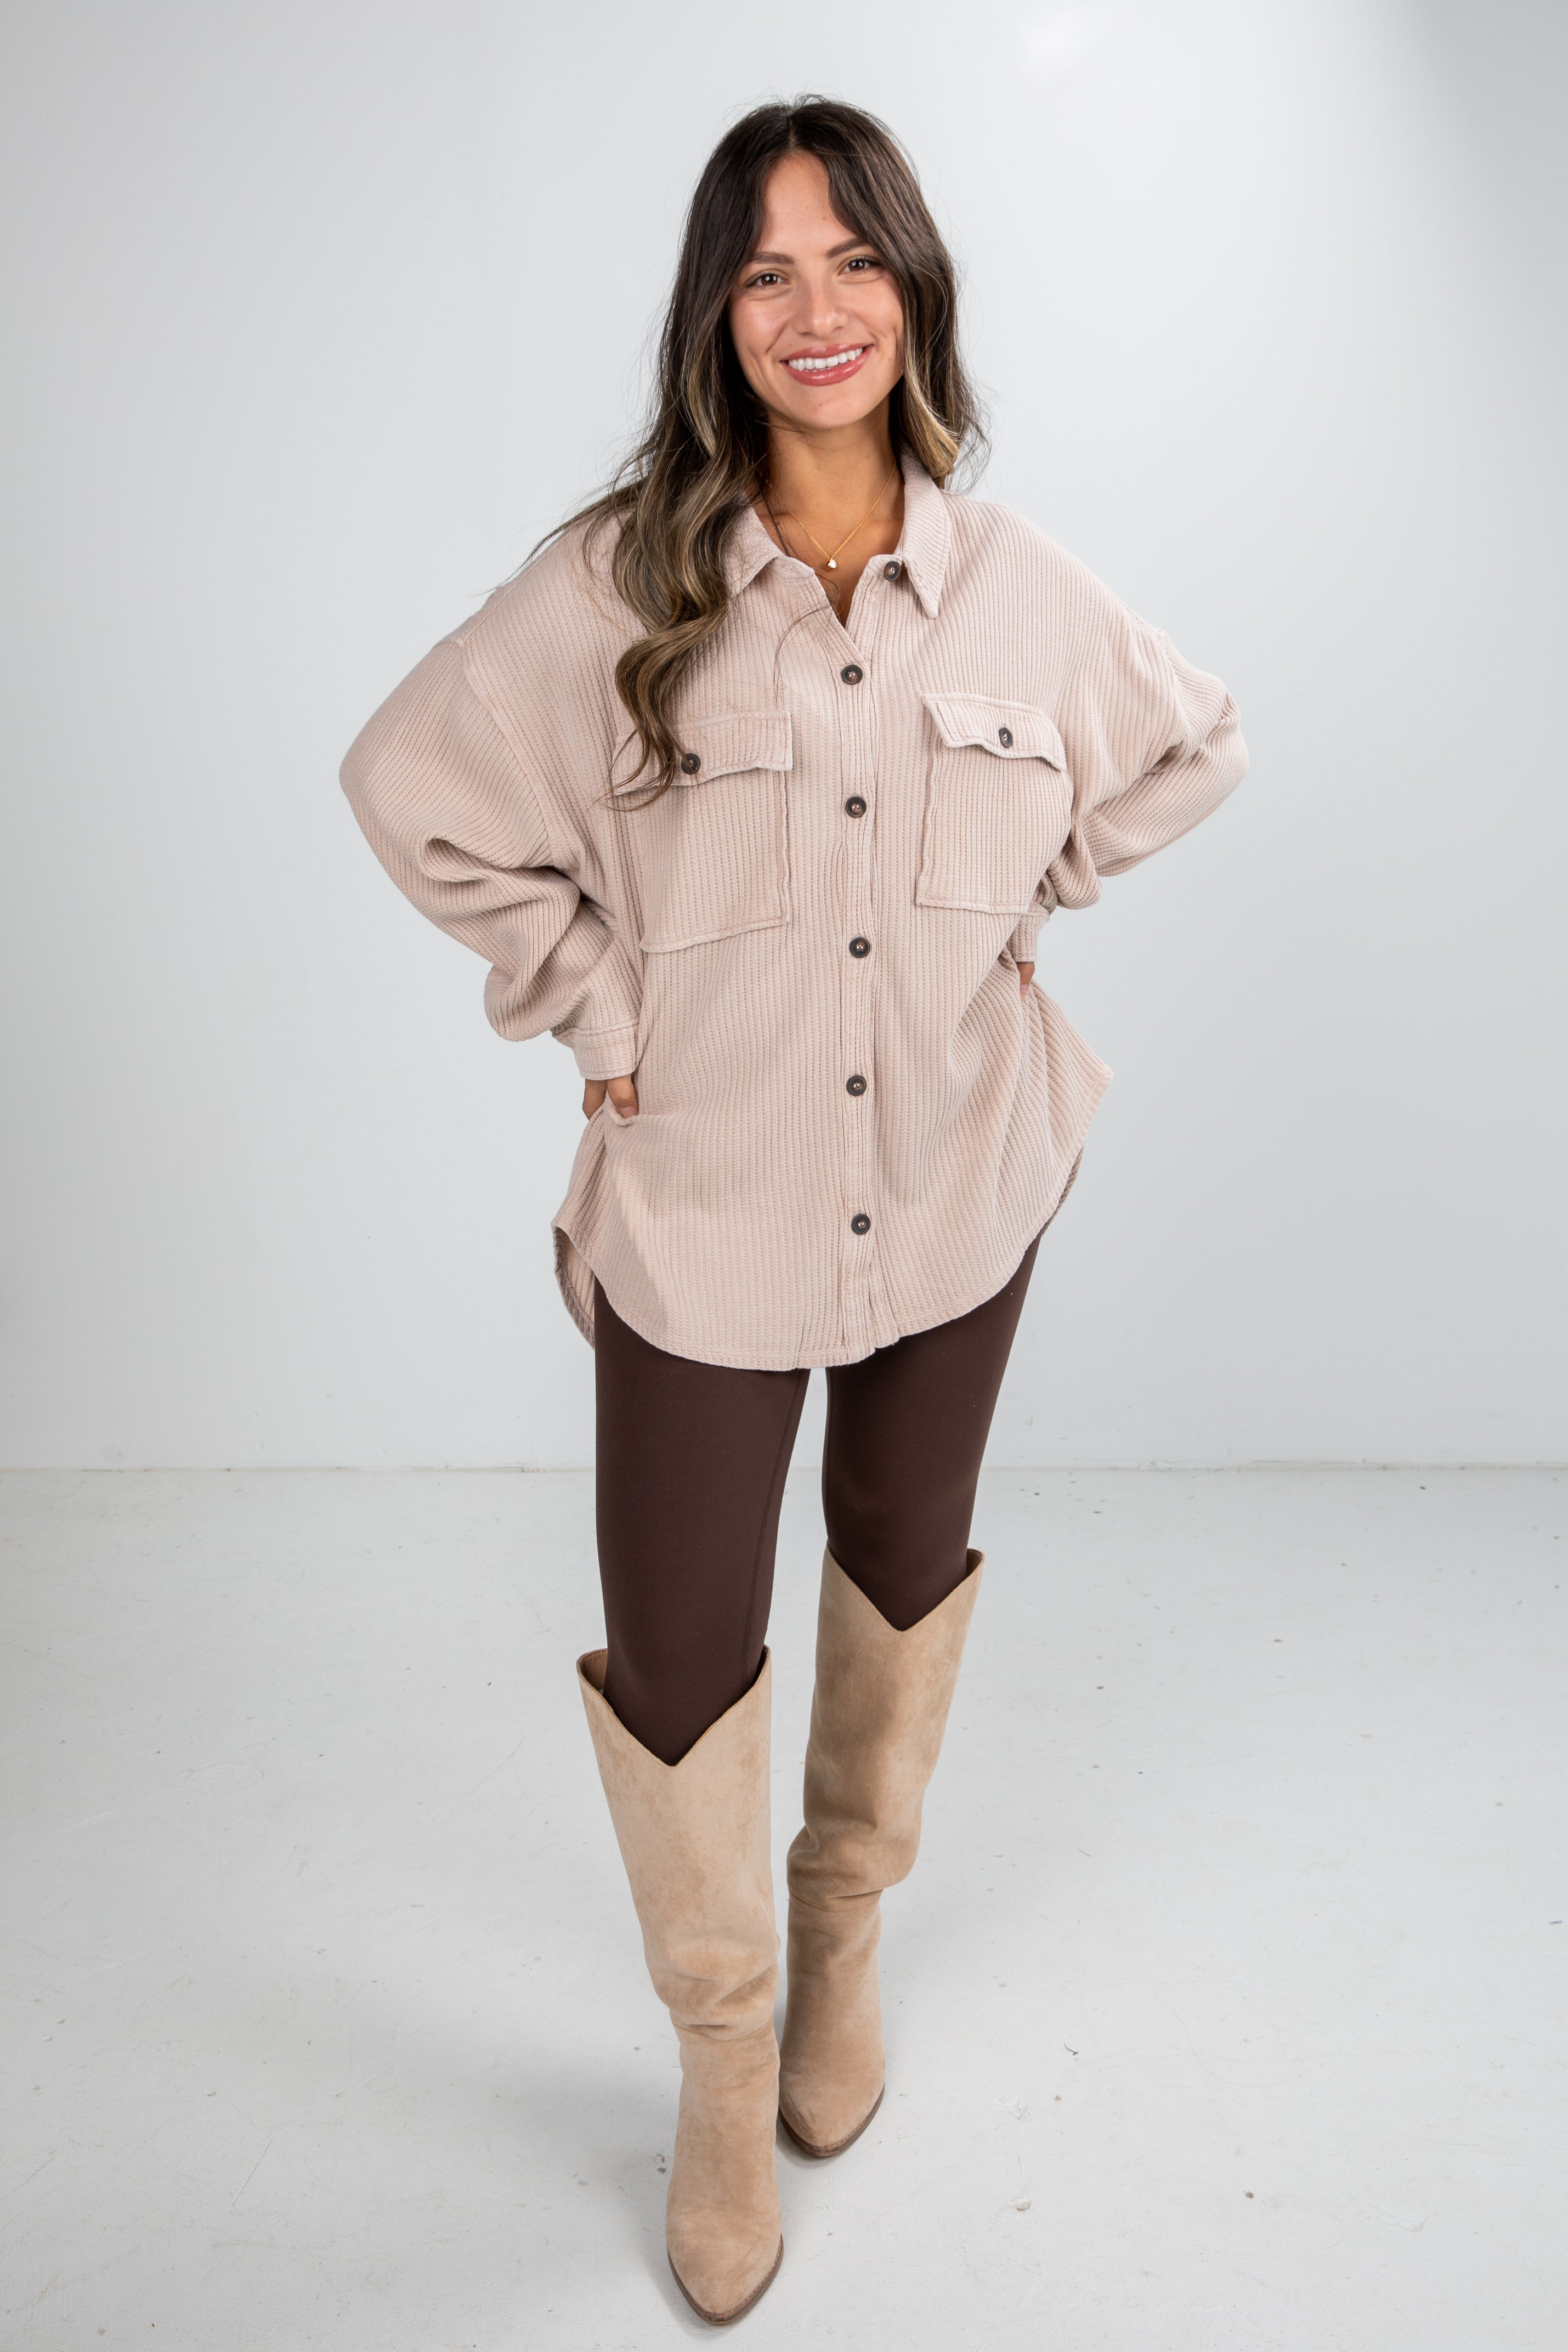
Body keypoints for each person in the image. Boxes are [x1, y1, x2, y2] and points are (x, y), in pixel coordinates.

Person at [341, 95, 1246, 2326]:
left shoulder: (1015, 584)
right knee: (675, 1646)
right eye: (765, 272)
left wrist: (1024, 898)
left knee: (901, 1553)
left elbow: (1190, 740)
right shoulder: (614, 583)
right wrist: (589, 1005)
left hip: (961, 1162)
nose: (814, 310)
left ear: (913, 291)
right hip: (706, 1193)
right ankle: (725, 2049)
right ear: (713, 320)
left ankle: (839, 1932)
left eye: (853, 262)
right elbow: (408, 791)